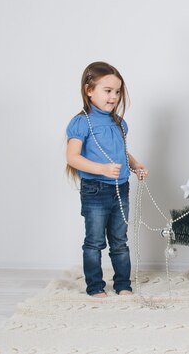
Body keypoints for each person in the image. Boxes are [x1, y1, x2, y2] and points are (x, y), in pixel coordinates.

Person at [66, 61, 148, 298]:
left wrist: (135, 164)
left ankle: (123, 284)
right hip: (95, 190)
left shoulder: (119, 122)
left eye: (117, 92)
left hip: (120, 189)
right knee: (94, 242)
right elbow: (72, 157)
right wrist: (101, 169)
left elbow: (121, 150)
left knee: (120, 241)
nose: (113, 97)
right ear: (89, 90)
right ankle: (95, 286)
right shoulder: (82, 122)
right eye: (108, 91)